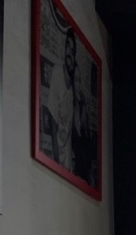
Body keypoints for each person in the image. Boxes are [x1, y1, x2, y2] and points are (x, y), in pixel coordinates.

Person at [43, 27, 76, 170]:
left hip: (67, 162)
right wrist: (57, 165)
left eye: (72, 50)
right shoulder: (58, 73)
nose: (69, 52)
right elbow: (52, 120)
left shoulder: (73, 87)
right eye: (67, 46)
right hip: (58, 161)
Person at [71, 61, 96, 186]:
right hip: (75, 176)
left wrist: (85, 107)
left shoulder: (82, 110)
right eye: (76, 80)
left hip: (85, 178)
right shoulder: (69, 112)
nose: (78, 85)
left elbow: (89, 150)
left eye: (79, 80)